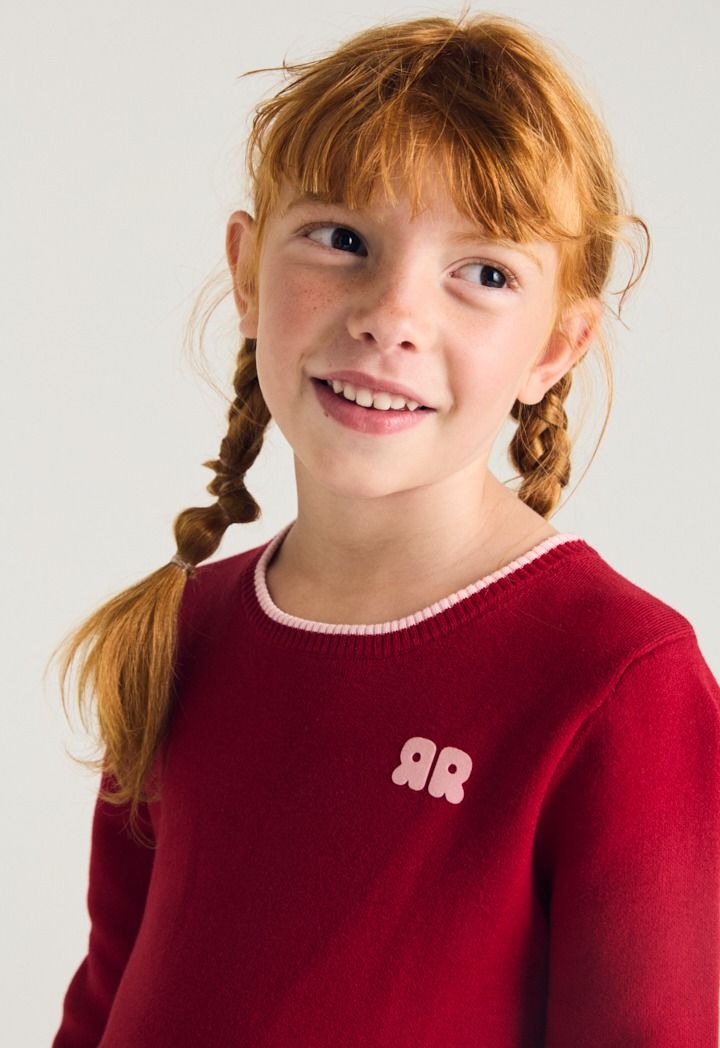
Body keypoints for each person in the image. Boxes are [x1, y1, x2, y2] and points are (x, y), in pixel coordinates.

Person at [49, 10, 719, 1047]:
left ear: (557, 346)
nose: (391, 316)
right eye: (342, 239)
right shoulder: (179, 632)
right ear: (246, 271)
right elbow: (105, 1001)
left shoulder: (621, 681)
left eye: (484, 273)